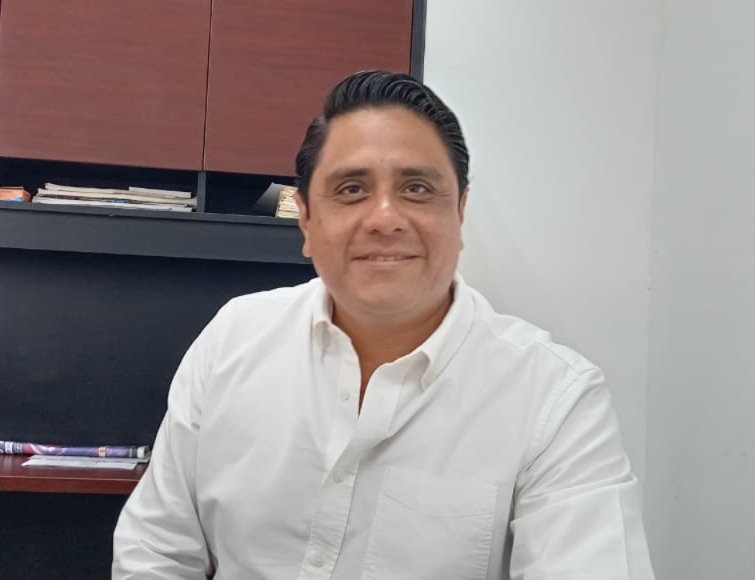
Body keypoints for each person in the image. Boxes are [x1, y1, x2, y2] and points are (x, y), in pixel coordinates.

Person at [112, 70, 654, 579]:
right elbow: (156, 551)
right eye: (352, 189)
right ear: (306, 219)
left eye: (417, 188)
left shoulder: (556, 400)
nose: (385, 218)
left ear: (459, 213)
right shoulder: (234, 339)